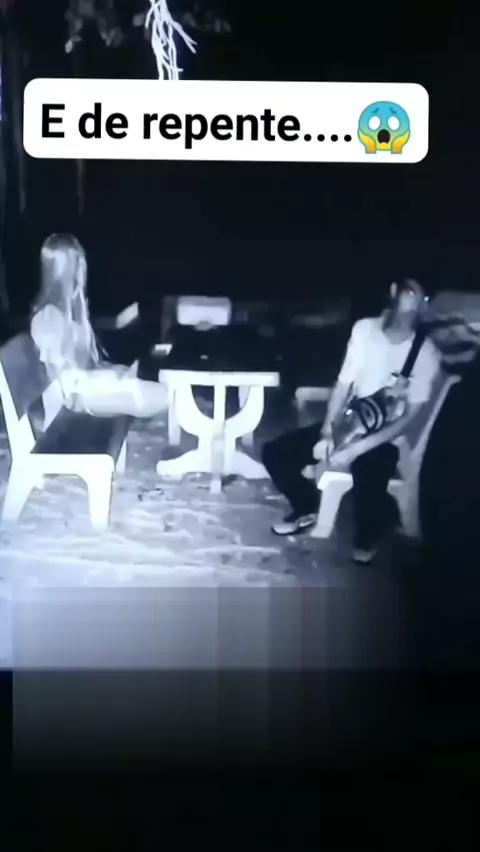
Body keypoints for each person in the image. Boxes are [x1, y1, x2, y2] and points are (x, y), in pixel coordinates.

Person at [262, 279, 441, 563]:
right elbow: (343, 384)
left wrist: (358, 448)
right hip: (350, 423)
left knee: (370, 474)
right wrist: (328, 433)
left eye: (422, 297)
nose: (414, 303)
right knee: (276, 452)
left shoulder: (425, 351)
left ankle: (367, 536)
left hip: (386, 436)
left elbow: (410, 415)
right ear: (394, 291)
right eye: (409, 293)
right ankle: (307, 506)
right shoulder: (365, 330)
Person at [30, 233, 169, 418]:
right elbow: (61, 382)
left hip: (84, 390)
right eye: (78, 264)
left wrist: (113, 373)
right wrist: (108, 378)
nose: (83, 272)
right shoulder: (48, 317)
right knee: (149, 395)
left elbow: (86, 364)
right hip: (73, 399)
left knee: (153, 389)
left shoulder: (73, 309)